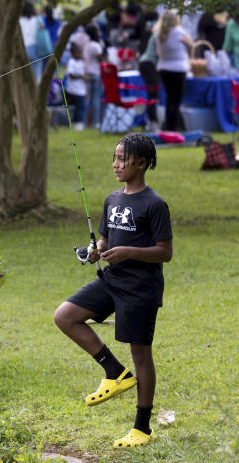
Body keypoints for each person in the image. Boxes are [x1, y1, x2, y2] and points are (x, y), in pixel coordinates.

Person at [53, 133, 173, 449]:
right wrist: (96, 250)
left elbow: (165, 252)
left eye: (122, 159)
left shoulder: (155, 204)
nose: (115, 164)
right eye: (115, 158)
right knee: (65, 316)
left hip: (140, 288)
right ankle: (114, 372)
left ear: (142, 163)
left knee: (141, 354)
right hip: (112, 279)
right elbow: (106, 240)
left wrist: (130, 252)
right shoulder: (112, 199)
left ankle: (142, 428)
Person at [154, 10, 192, 131]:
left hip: (164, 69)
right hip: (178, 69)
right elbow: (191, 44)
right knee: (176, 100)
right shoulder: (179, 32)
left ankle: (169, 126)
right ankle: (173, 128)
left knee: (170, 100)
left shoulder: (159, 34)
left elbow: (158, 53)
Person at [83, 25, 105, 128]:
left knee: (90, 99)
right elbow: (100, 59)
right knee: (96, 99)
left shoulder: (87, 45)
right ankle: (95, 122)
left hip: (88, 73)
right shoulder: (96, 45)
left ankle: (85, 121)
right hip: (96, 73)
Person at [65, 42, 88, 130]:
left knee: (81, 106)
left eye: (80, 52)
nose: (79, 54)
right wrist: (82, 76)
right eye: (77, 52)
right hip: (74, 89)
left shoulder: (81, 62)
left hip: (81, 89)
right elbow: (71, 75)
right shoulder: (71, 62)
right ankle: (78, 124)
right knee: (80, 107)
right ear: (72, 53)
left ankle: (77, 123)